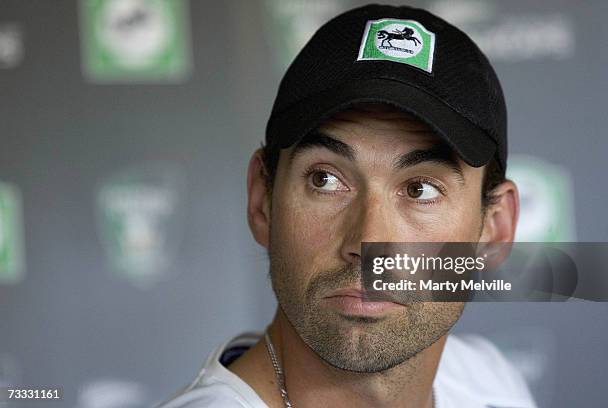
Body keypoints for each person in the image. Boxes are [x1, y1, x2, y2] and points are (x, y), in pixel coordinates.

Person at [159, 4, 536, 408]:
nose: (369, 241)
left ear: (494, 230)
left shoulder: (489, 382)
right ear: (262, 201)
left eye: (421, 190)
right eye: (325, 179)